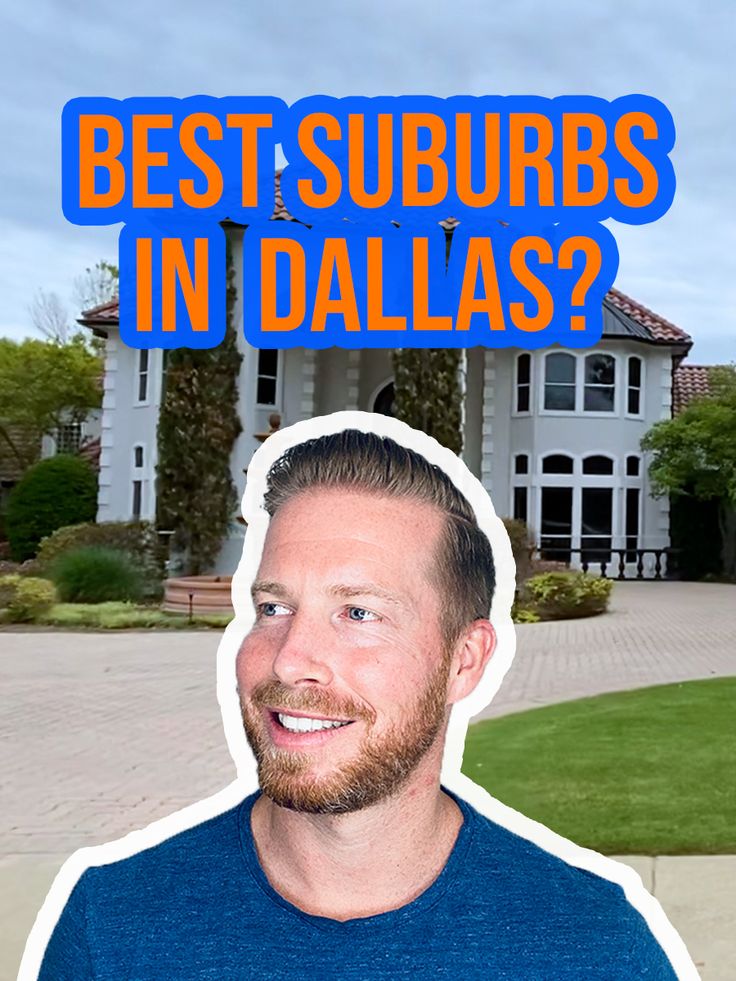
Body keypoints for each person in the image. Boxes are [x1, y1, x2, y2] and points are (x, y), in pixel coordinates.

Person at [34, 424, 681, 979]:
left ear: (465, 660)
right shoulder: (113, 929)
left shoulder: (593, 949)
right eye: (273, 606)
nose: (290, 657)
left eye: (358, 610)